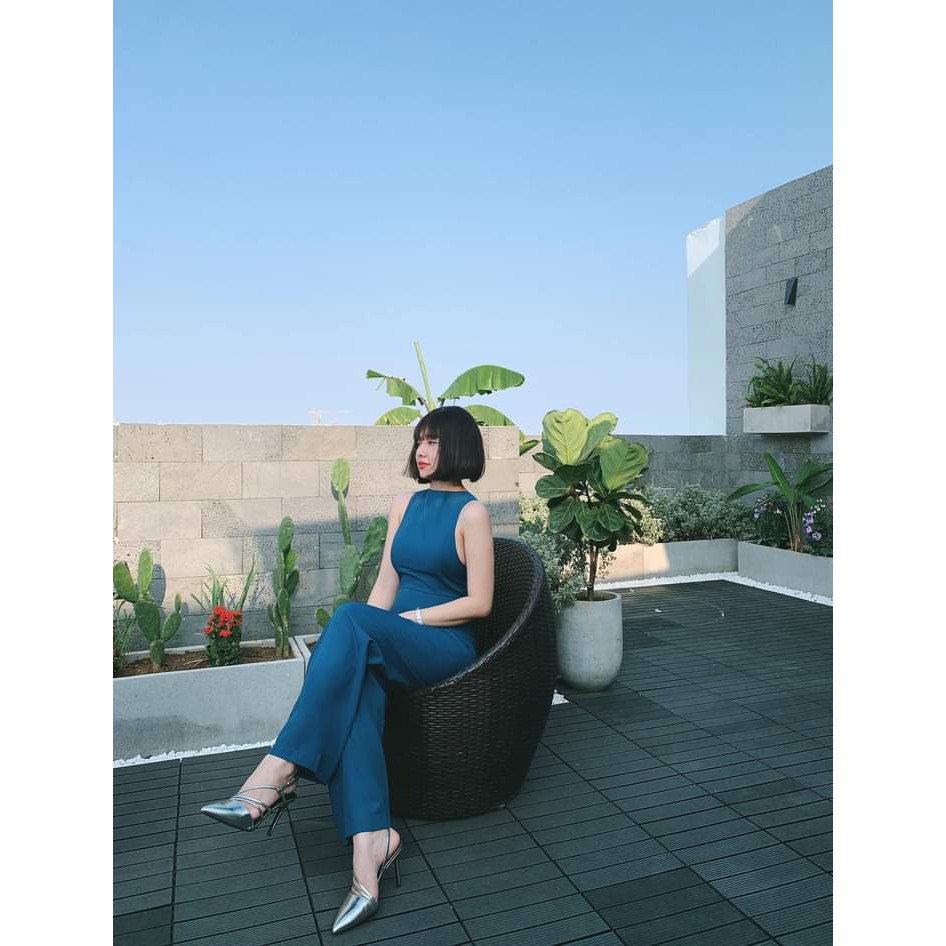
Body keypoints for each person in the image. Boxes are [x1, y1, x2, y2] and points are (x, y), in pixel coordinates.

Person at [199, 405, 495, 934]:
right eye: (419, 441)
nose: (422, 451)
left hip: (443, 642)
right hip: (396, 635)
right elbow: (386, 583)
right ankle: (371, 851)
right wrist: (369, 635)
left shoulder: (472, 514)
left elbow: (480, 602)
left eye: (433, 442)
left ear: (458, 448)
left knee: (351, 620)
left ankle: (277, 772)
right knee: (358, 684)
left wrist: (410, 619)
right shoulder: (404, 504)